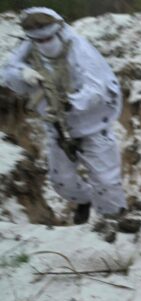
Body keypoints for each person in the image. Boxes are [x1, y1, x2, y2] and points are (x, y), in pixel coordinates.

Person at [1, 7, 126, 225]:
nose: (45, 43)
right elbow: (7, 73)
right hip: (57, 127)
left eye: (48, 38)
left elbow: (99, 88)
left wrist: (71, 102)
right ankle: (84, 199)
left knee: (106, 180)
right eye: (39, 40)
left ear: (59, 30)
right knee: (61, 180)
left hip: (93, 126)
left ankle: (113, 220)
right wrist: (23, 73)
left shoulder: (80, 49)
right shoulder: (29, 48)